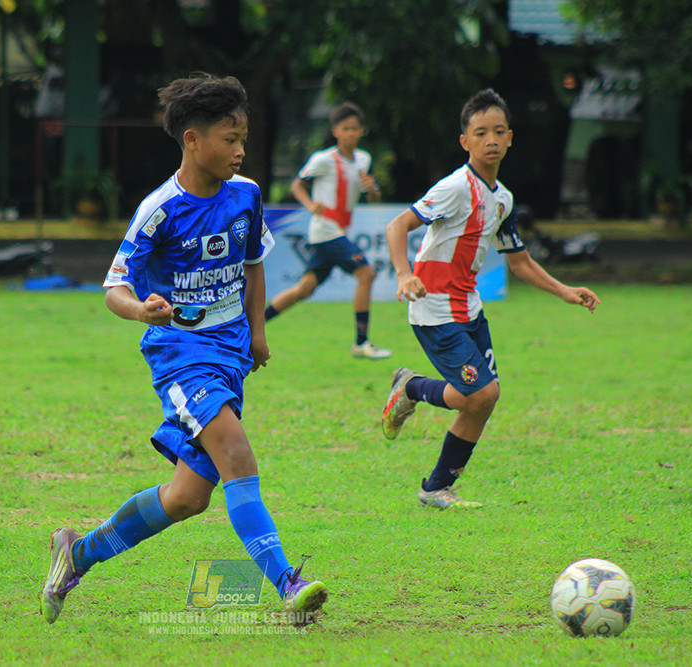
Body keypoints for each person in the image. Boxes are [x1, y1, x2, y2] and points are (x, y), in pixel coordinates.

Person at [39, 73, 328, 625]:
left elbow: (252, 264)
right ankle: (289, 586)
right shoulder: (159, 209)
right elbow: (114, 288)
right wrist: (141, 310)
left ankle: (75, 553)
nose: (240, 149)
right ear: (192, 140)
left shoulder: (246, 196)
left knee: (187, 498)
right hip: (181, 355)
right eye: (229, 137)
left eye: (243, 136)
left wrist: (258, 332)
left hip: (231, 356)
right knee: (238, 454)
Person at [382, 89, 600, 509]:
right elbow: (397, 226)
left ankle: (436, 488)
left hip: (469, 309)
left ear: (511, 137)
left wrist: (565, 292)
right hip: (434, 309)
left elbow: (520, 262)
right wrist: (404, 273)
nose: (491, 140)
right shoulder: (454, 187)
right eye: (480, 133)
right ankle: (411, 388)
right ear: (465, 141)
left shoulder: (502, 198)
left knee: (484, 398)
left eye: (499, 131)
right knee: (480, 395)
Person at [264, 102, 390, 359]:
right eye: (346, 128)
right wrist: (311, 205)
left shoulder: (364, 159)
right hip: (326, 231)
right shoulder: (323, 159)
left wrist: (373, 188)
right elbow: (297, 184)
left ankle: (251, 325)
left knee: (303, 290)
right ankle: (361, 342)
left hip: (336, 231)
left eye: (355, 128)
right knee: (365, 273)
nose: (351, 133)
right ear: (335, 131)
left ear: (362, 131)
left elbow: (374, 200)